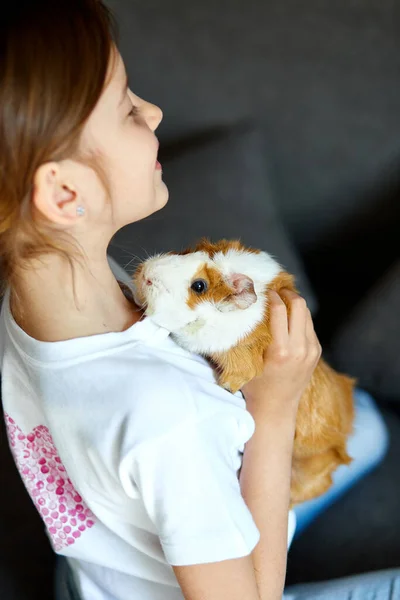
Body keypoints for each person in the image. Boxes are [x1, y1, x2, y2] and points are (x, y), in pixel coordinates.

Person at [0, 1, 397, 599]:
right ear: (63, 192)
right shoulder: (164, 415)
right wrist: (274, 407)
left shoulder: (26, 298)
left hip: (106, 569)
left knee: (365, 429)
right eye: (127, 107)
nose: (154, 111)